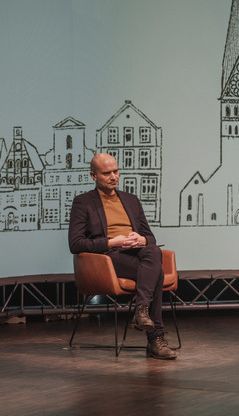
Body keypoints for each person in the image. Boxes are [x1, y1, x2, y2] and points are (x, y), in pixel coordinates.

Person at [68, 153, 177, 359]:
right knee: (157, 275)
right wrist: (112, 242)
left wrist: (141, 239)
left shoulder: (131, 200)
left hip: (136, 253)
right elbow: (75, 243)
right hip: (109, 258)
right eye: (107, 173)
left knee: (153, 251)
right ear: (93, 176)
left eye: (116, 171)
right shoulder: (83, 203)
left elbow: (150, 237)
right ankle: (155, 339)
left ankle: (142, 311)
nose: (113, 176)